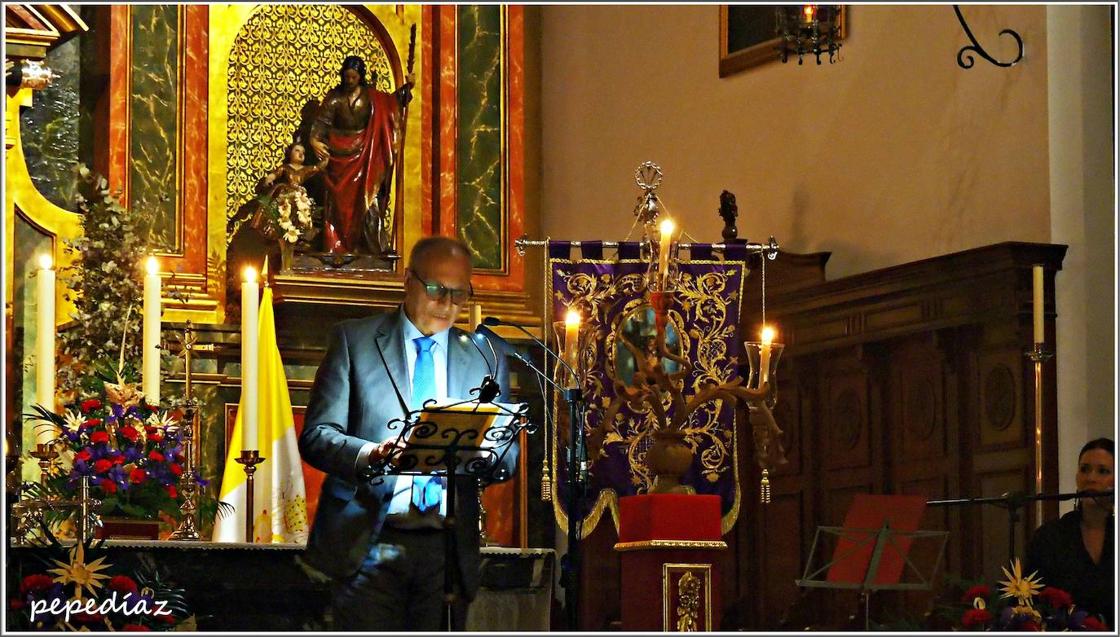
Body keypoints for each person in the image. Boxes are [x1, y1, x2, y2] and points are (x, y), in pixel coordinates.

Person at [299, 236, 516, 631]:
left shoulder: (486, 356)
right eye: (436, 290)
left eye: (459, 294)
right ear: (408, 281)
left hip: (446, 550)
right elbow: (317, 436)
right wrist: (371, 454)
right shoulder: (356, 341)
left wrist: (483, 453)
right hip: (369, 540)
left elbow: (507, 455)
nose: (448, 305)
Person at [309, 55, 413, 256]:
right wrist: (314, 140)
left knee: (369, 201)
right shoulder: (334, 98)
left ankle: (374, 248)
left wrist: (408, 88)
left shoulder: (372, 97)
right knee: (338, 207)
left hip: (366, 154)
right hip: (338, 158)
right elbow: (321, 123)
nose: (349, 81)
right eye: (347, 77)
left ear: (360, 77)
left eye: (354, 77)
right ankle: (336, 246)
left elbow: (391, 103)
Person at [1025, 437, 1114, 627]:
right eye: (1084, 469)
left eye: (1102, 471)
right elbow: (1029, 602)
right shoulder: (1050, 537)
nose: (1091, 478)